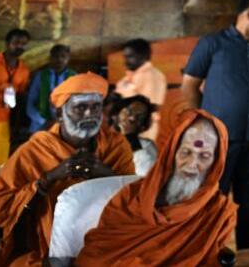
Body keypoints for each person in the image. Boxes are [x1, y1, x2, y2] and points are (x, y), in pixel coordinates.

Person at [0, 73, 133, 265]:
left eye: (95, 107)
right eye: (80, 107)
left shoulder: (116, 145)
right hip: (44, 248)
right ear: (59, 114)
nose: (89, 114)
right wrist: (49, 179)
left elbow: (135, 200)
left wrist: (105, 175)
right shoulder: (35, 150)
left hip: (106, 243)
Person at [181, 0, 249, 250]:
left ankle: (248, 255)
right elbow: (190, 85)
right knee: (212, 201)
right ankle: (207, 254)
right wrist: (201, 123)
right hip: (219, 142)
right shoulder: (212, 44)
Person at [78, 110, 237, 266]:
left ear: (217, 162)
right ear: (172, 153)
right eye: (186, 152)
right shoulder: (131, 195)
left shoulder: (219, 212)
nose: (192, 163)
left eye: (204, 156)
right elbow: (99, 249)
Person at [0, 29, 31, 170]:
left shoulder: (24, 70)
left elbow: (20, 96)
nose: (20, 46)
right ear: (7, 43)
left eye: (23, 43)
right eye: (16, 42)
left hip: (2, 119)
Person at [115, 38, 167, 141]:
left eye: (130, 57)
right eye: (125, 57)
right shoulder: (132, 75)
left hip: (140, 130)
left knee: (138, 151)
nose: (126, 62)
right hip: (127, 127)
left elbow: (147, 106)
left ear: (143, 56)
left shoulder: (152, 76)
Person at [25, 44, 74, 134]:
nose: (59, 59)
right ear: (50, 58)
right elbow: (30, 104)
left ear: (68, 58)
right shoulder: (40, 76)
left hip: (65, 127)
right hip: (39, 125)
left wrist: (60, 122)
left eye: (63, 56)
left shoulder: (74, 77)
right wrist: (44, 121)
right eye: (56, 56)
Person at [109, 95, 159, 176]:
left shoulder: (147, 146)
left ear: (141, 126)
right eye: (129, 111)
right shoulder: (99, 140)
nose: (132, 118)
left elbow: (148, 175)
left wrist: (129, 138)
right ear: (115, 114)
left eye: (140, 117)